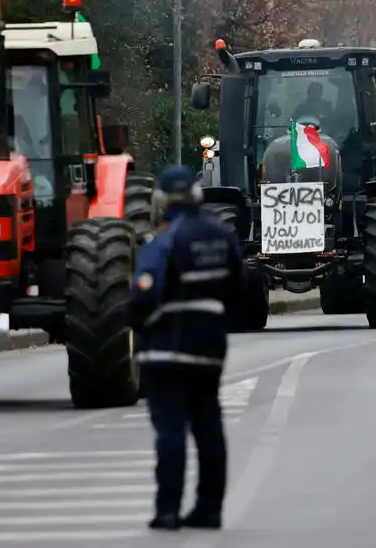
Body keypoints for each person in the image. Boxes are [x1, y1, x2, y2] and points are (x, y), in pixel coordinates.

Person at [127, 165, 246, 531]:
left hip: (166, 349)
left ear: (162, 200)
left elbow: (145, 294)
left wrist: (136, 324)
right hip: (209, 348)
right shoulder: (221, 235)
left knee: (171, 431)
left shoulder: (163, 240)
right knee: (209, 427)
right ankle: (209, 509)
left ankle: (168, 510)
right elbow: (239, 289)